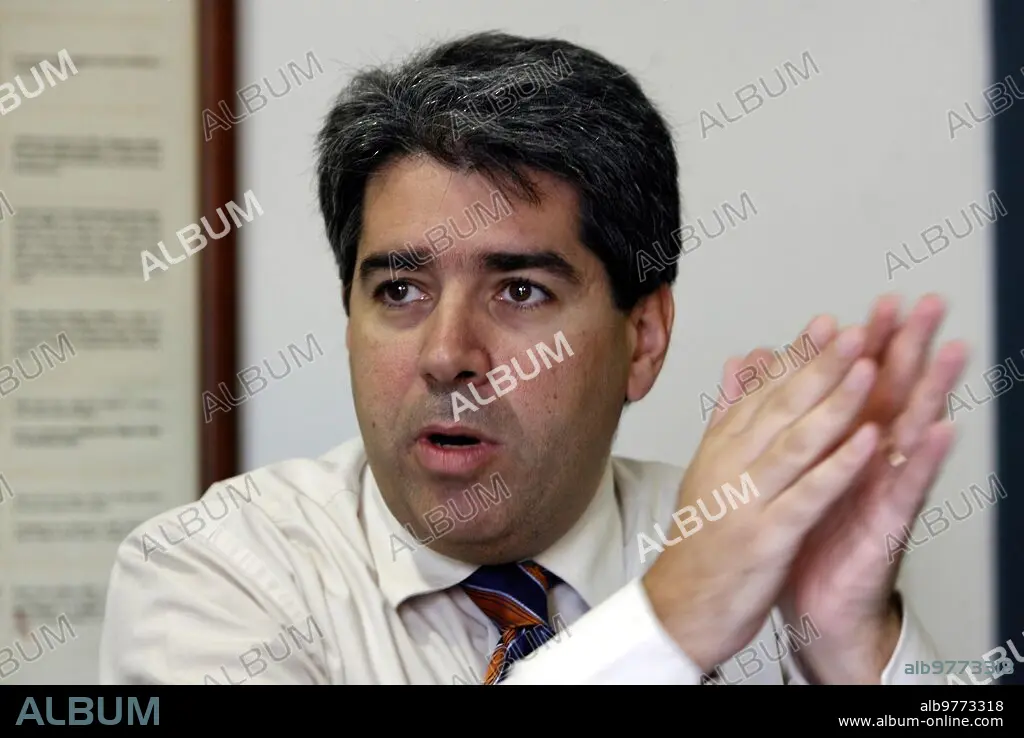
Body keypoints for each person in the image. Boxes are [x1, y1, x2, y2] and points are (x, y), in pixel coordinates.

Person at [99, 31, 968, 685]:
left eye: (520, 290)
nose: (447, 355)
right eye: (399, 290)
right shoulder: (216, 571)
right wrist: (669, 624)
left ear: (642, 339)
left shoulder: (750, 541)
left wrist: (857, 642)